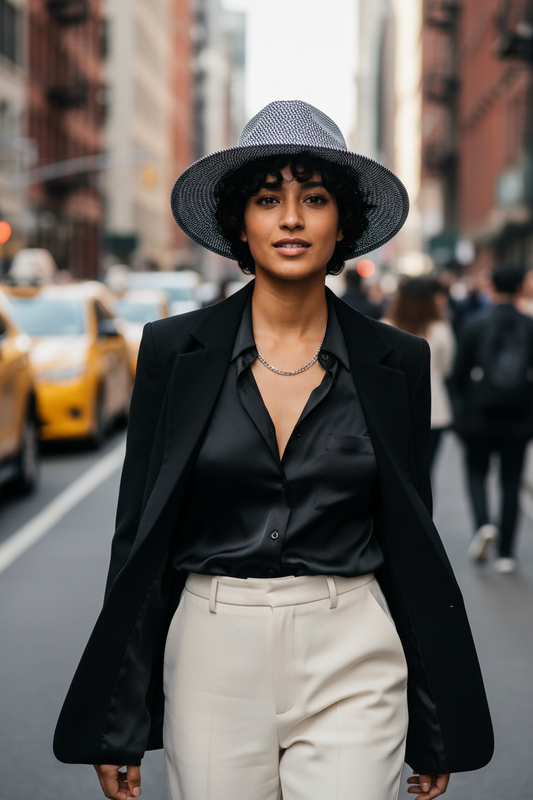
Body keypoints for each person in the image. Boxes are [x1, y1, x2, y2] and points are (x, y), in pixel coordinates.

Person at [53, 101, 493, 800]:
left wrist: (431, 722)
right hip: (211, 650)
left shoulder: (396, 361)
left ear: (342, 222)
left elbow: (412, 538)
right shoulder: (175, 353)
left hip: (354, 646)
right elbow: (138, 537)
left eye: (313, 198)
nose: (290, 218)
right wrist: (119, 719)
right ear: (241, 223)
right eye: (267, 199)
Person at [453, 264, 533, 574]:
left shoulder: (475, 324)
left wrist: (463, 407)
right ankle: (507, 554)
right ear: (520, 287)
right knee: (511, 482)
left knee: (476, 471)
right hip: (519, 415)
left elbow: (459, 373)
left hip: (480, 413)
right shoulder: (528, 325)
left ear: (492, 285)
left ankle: (484, 525)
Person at [384, 277, 455, 469]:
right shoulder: (441, 329)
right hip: (434, 409)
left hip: (393, 410)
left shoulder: (384, 325)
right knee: (426, 471)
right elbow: (448, 368)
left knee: (397, 472)